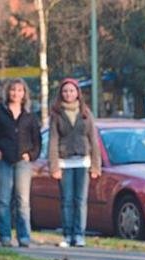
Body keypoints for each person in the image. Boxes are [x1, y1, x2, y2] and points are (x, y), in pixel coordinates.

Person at [0, 79, 41, 248]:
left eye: (20, 90)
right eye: (13, 90)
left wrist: (31, 155)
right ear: (8, 92)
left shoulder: (30, 116)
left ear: (25, 94)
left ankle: (24, 237)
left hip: (22, 163)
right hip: (3, 161)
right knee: (3, 200)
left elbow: (37, 140)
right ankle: (5, 236)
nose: (16, 93)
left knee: (23, 200)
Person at [47, 78, 100, 248]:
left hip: (83, 162)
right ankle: (67, 234)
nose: (68, 94)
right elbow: (53, 141)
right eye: (65, 91)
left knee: (81, 200)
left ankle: (79, 234)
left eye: (71, 91)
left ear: (77, 93)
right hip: (65, 162)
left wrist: (95, 165)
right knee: (67, 200)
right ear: (61, 94)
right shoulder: (56, 114)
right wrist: (54, 166)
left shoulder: (85, 113)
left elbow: (93, 139)